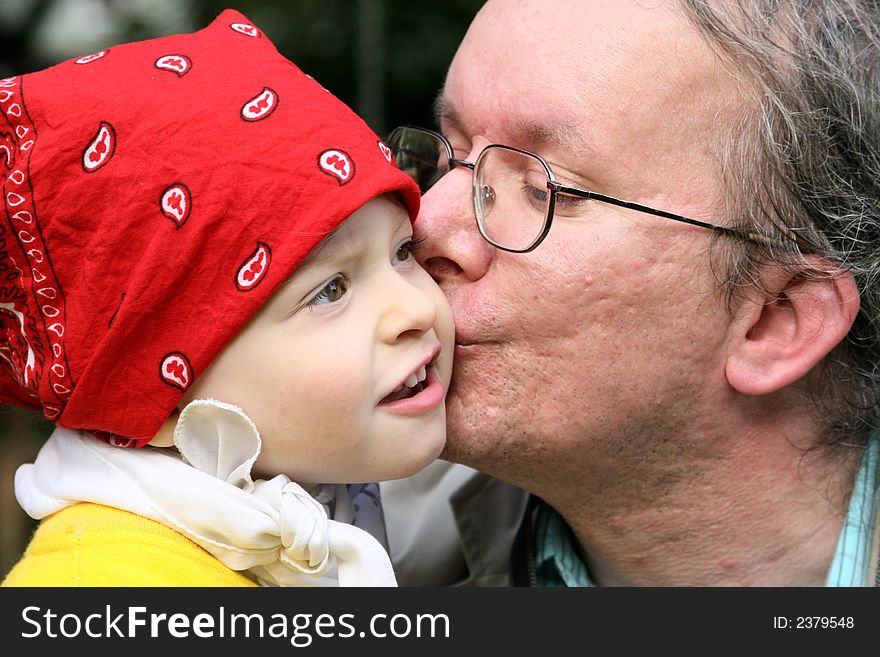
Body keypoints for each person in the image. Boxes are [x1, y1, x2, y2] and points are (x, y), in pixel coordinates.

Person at [380, 0, 880, 586]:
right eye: (451, 153)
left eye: (547, 188)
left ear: (774, 319)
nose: (423, 225)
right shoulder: (315, 554)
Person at [0, 9, 453, 587]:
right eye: (330, 290)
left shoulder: (326, 492)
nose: (416, 308)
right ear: (156, 393)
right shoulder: (109, 585)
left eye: (403, 252)